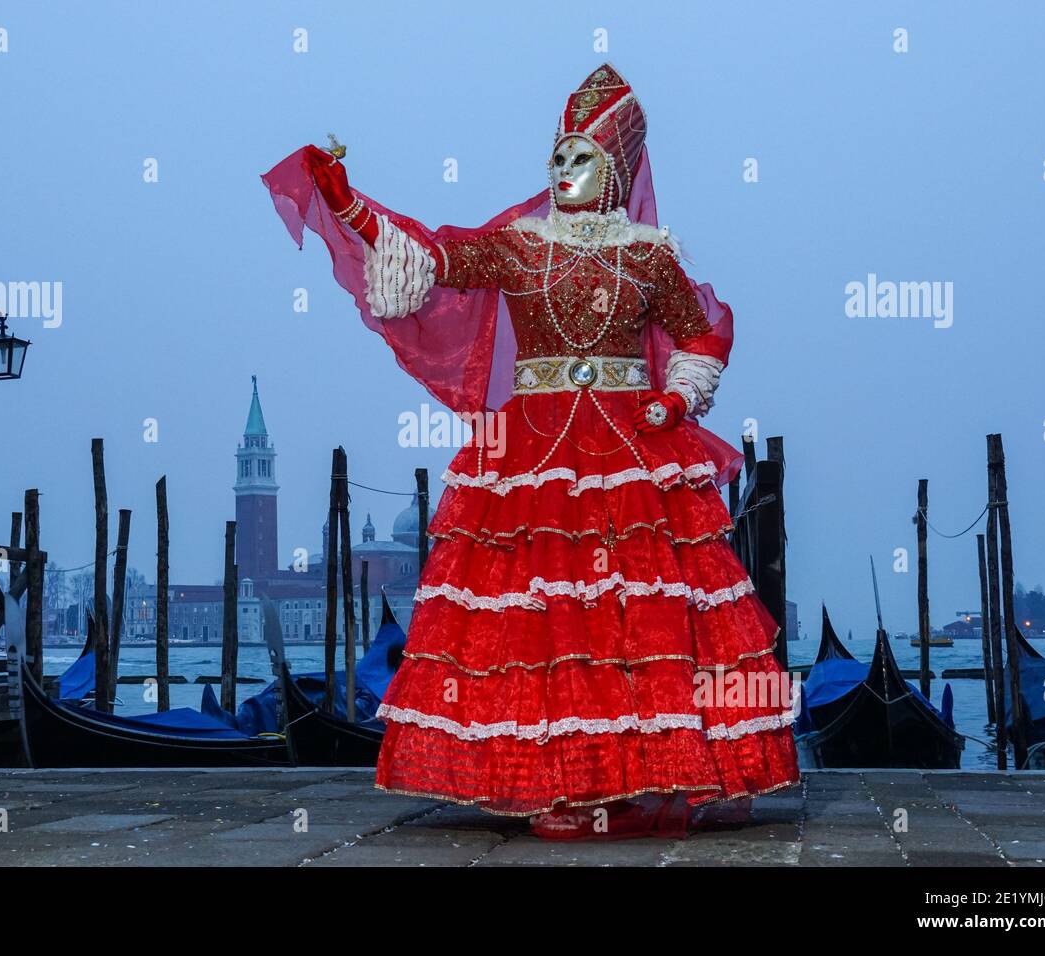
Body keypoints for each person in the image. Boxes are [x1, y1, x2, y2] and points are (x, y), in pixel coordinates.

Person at [263, 64, 799, 839]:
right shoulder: (519, 245)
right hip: (533, 453)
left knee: (638, 625)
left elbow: (703, 329)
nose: (563, 170)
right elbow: (435, 256)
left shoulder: (649, 255)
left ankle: (644, 780)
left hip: (632, 447)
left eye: (580, 157)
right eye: (557, 156)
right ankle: (564, 786)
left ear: (615, 168)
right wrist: (346, 200)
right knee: (541, 627)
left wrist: (677, 398)